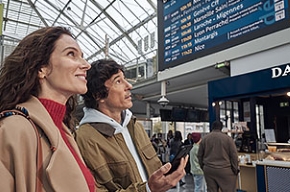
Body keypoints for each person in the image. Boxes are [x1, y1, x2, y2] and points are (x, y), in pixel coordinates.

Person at [0, 26, 95, 192]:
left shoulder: (64, 130)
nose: (86, 65)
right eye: (71, 54)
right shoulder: (14, 129)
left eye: (83, 57)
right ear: (42, 69)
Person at [75, 59, 187, 192]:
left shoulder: (134, 126)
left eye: (125, 79)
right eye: (118, 81)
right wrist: (147, 189)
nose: (129, 86)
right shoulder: (85, 139)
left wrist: (166, 176)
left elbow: (152, 169)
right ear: (99, 95)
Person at [197, 121, 239, 192]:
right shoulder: (228, 139)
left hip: (209, 170)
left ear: (212, 127)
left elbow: (199, 155)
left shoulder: (205, 139)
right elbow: (234, 155)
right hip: (225, 170)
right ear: (221, 128)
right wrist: (235, 169)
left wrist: (203, 167)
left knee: (211, 190)